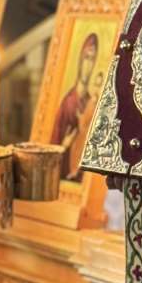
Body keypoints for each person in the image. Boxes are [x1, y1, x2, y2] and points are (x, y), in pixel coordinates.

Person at [50, 31, 98, 180]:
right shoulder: (67, 102)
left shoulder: (91, 101)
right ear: (80, 60)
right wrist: (63, 146)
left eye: (92, 59)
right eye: (86, 58)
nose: (88, 65)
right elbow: (53, 145)